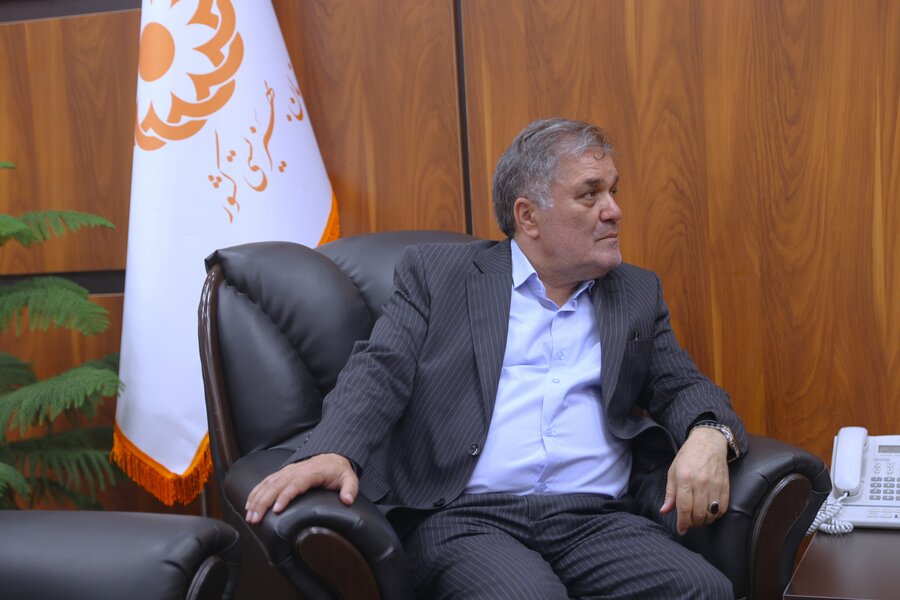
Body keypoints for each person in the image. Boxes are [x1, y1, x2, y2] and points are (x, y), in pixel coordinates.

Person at [245, 117, 749, 599]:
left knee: (704, 590)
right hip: (467, 516)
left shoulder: (634, 292)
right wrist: (334, 451)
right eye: (590, 194)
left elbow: (683, 386)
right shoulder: (439, 276)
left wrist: (709, 434)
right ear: (528, 216)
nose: (614, 210)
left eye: (613, 191)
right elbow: (380, 369)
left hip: (594, 518)